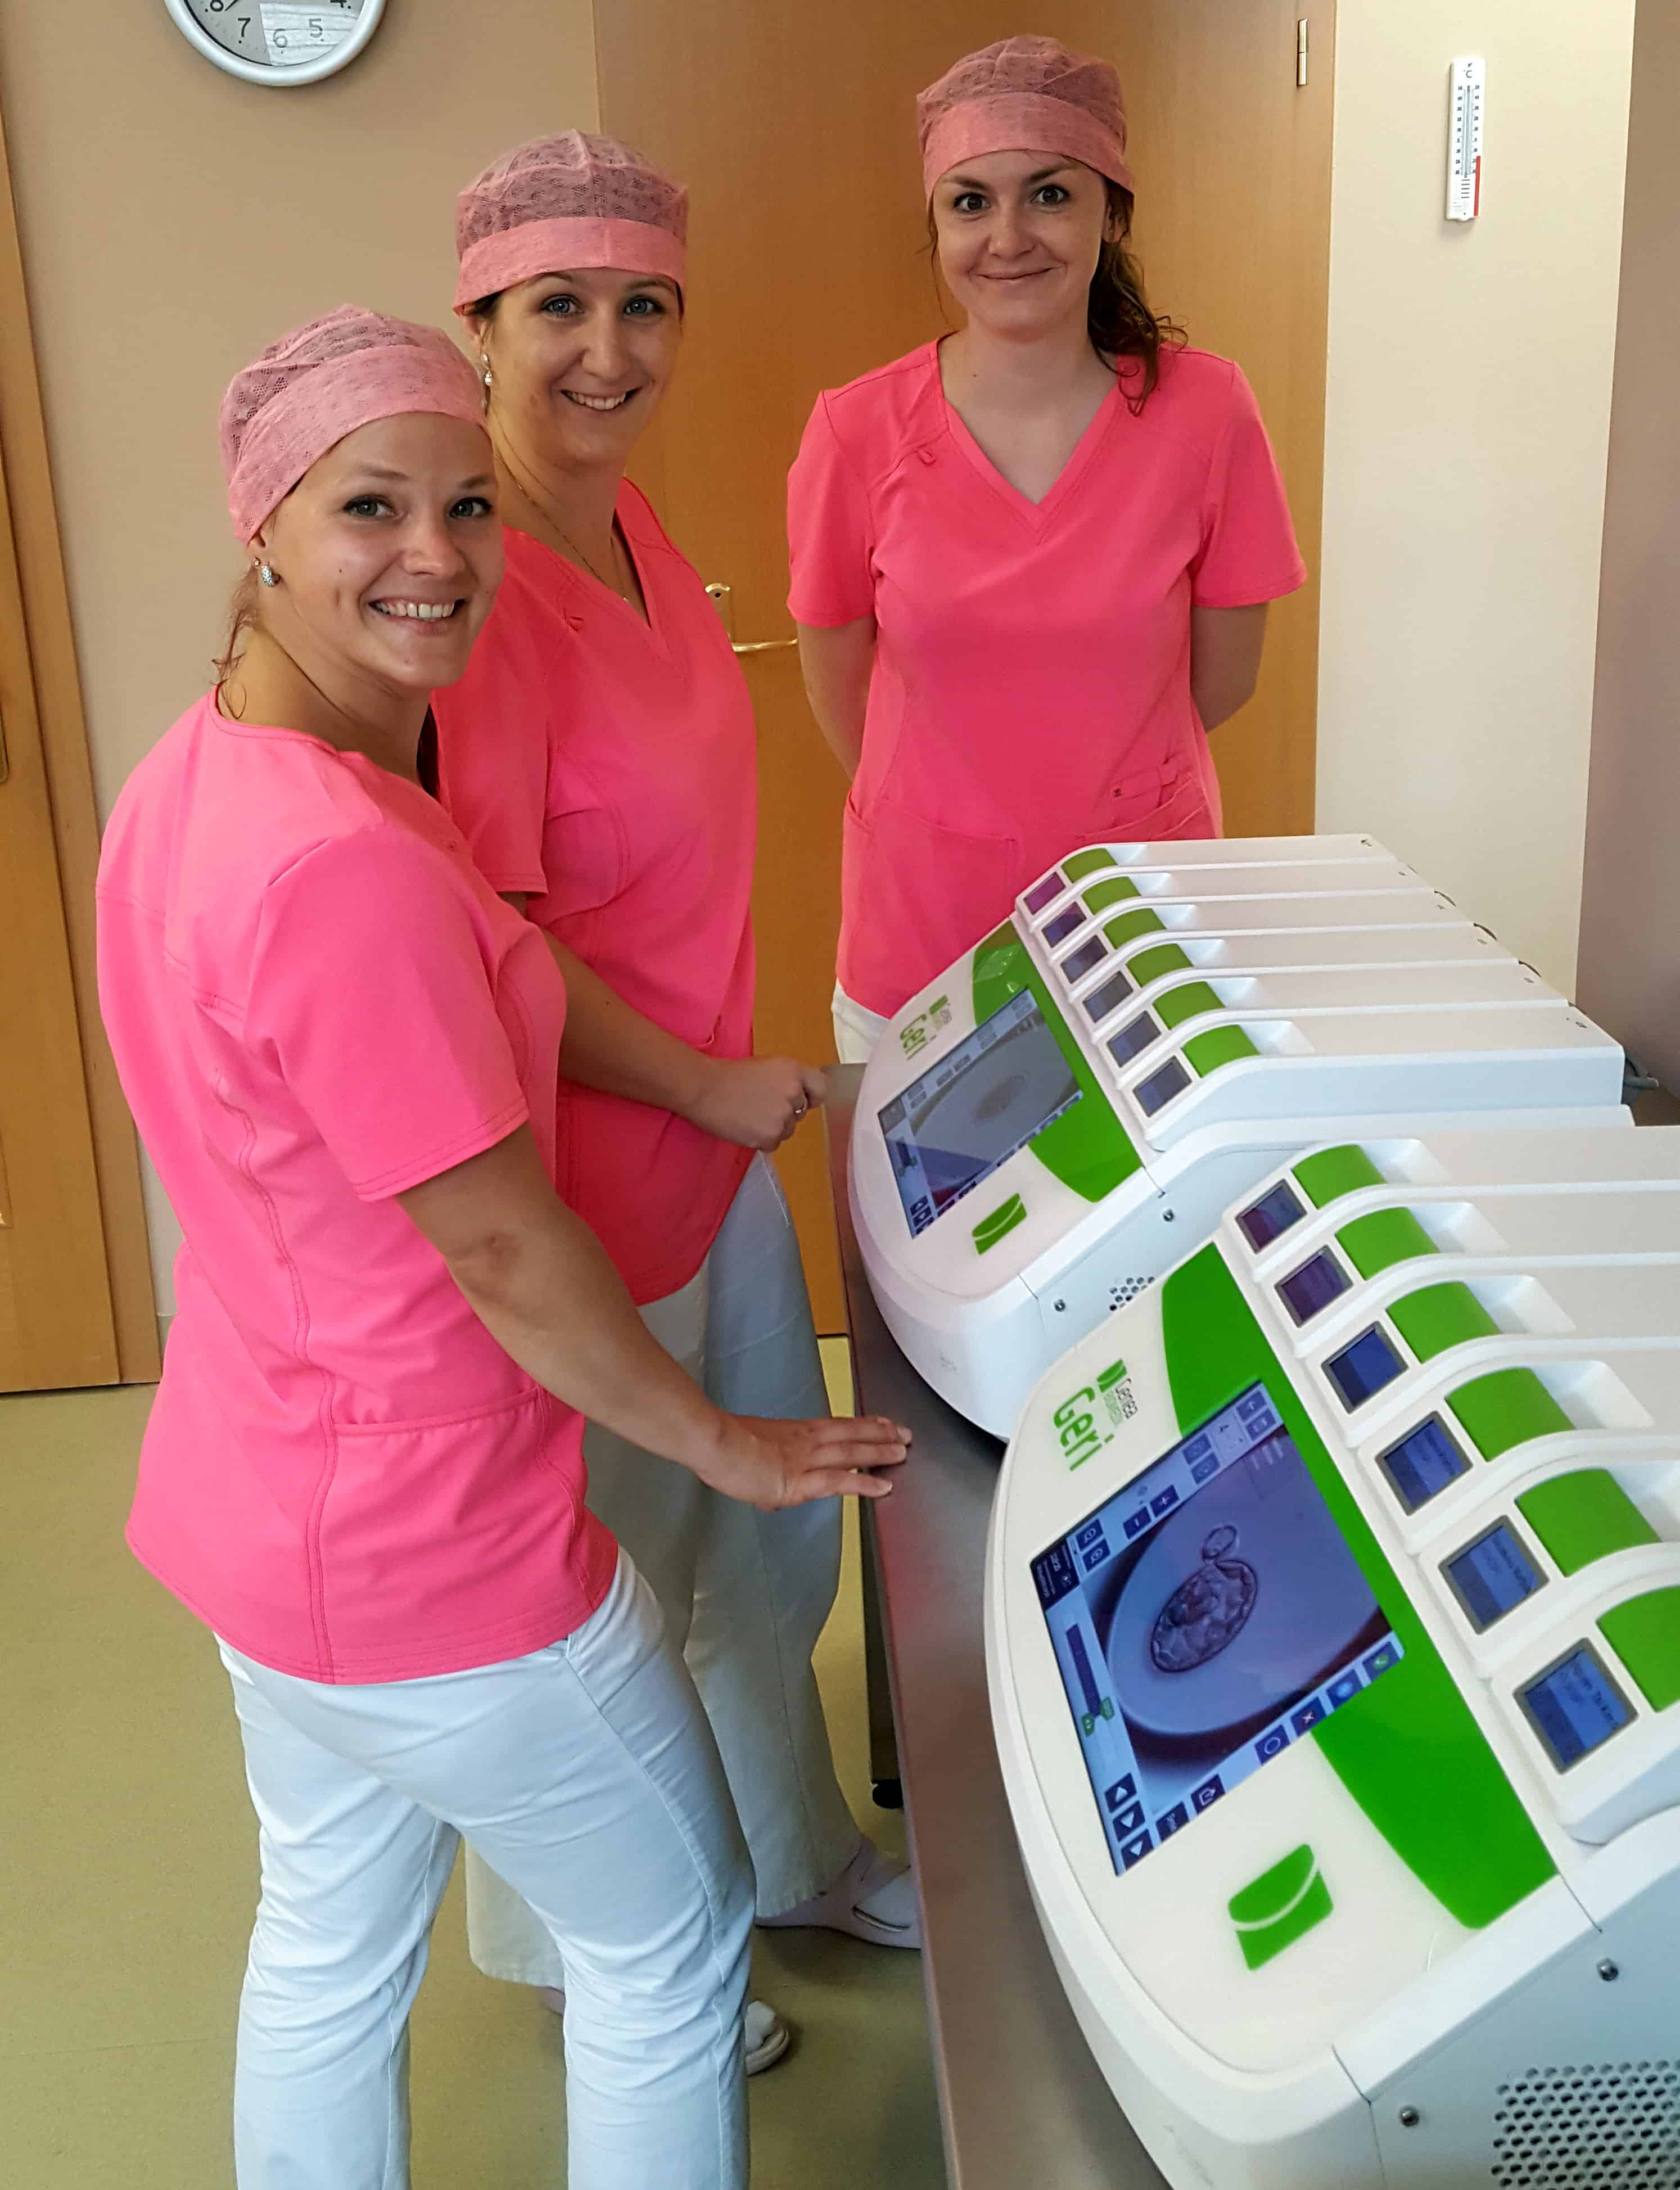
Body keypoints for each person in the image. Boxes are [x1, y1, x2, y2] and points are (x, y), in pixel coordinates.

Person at [94, 305, 908, 2190]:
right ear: (263, 528)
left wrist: (695, 1089)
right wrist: (729, 1443)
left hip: (259, 1520)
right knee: (664, 1950)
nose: (439, 554)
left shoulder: (198, 776)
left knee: (325, 1943)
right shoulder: (344, 865)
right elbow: (503, 1247)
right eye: (369, 508)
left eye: (467, 505)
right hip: (436, 1555)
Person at [431, 132, 920, 2070]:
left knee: (762, 1543)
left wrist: (719, 1097)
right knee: (608, 1582)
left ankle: (786, 1851)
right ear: (478, 322)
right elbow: (491, 943)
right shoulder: (473, 584)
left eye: (644, 306)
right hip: (586, 1173)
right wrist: (705, 1078)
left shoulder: (630, 528)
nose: (609, 349)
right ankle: (597, 1957)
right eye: (559, 306)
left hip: (706, 1153)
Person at [787, 35, 1308, 1062]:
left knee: (1157, 1163)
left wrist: (1092, 781)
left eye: (1050, 195)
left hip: (1144, 920)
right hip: (922, 937)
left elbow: (1223, 681)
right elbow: (841, 693)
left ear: (1111, 214)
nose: (1008, 237)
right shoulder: (857, 432)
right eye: (969, 202)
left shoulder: (1207, 413)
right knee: (921, 1167)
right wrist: (951, 808)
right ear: (936, 225)